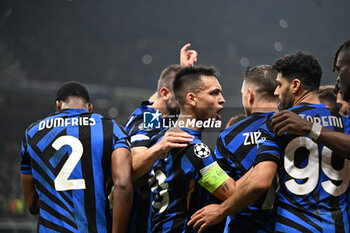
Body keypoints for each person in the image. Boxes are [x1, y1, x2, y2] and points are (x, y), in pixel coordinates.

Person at [188, 52, 350, 233]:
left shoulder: (276, 124)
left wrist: (220, 209)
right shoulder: (345, 123)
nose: (276, 91)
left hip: (289, 226)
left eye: (280, 85)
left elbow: (259, 181)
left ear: (295, 85)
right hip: (338, 225)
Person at [20, 81, 133, 233]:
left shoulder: (31, 134)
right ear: (89, 108)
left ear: (58, 105)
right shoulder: (111, 129)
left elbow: (32, 205)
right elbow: (123, 185)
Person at [148, 66, 245, 233]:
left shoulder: (159, 139)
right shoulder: (194, 148)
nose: (222, 99)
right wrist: (265, 158)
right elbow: (233, 194)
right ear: (192, 99)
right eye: (214, 93)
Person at [124, 44, 197, 233]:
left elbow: (162, 93)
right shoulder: (145, 121)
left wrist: (184, 71)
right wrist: (159, 147)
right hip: (139, 222)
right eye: (181, 96)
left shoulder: (157, 110)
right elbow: (130, 169)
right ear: (166, 94)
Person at [215, 65, 278, 232]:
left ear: (250, 95)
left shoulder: (229, 136)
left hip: (245, 227)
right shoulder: (296, 126)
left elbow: (223, 192)